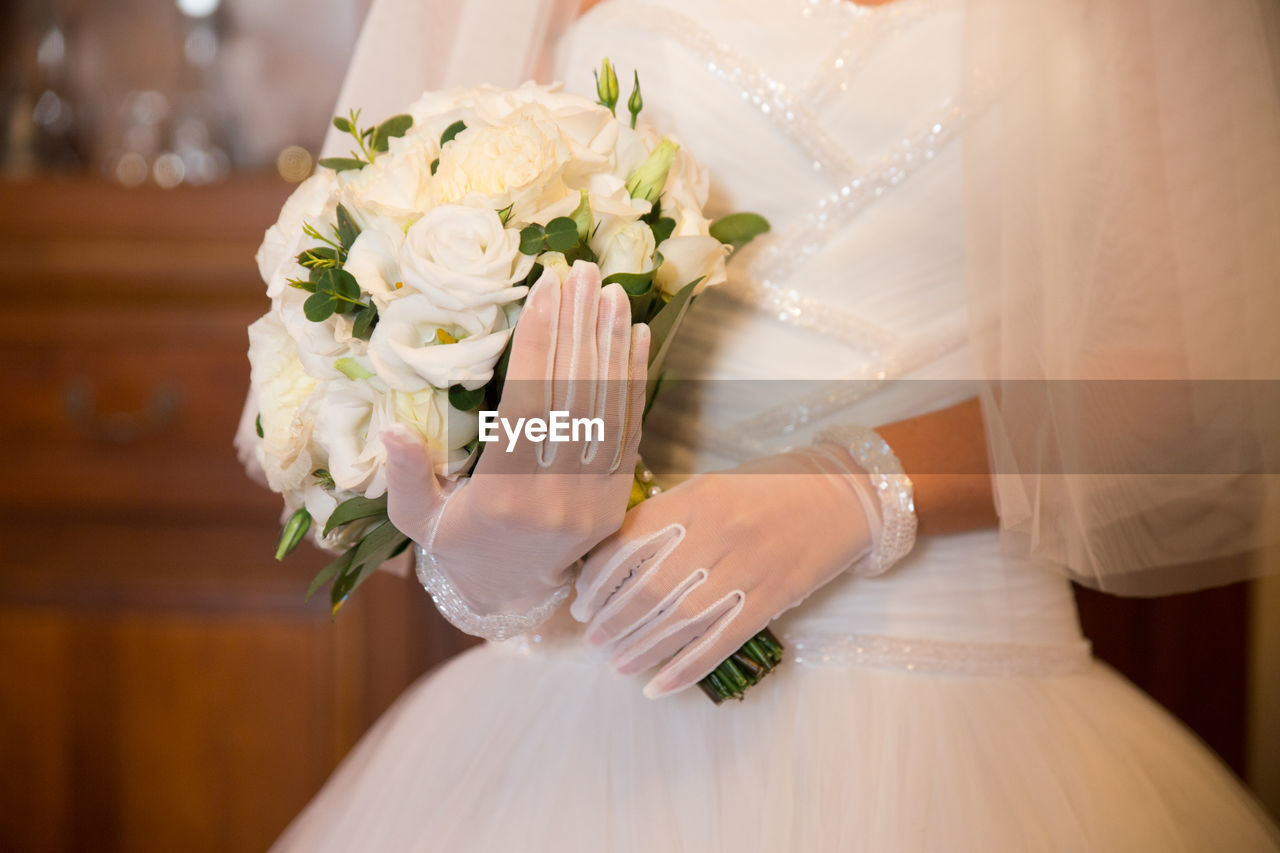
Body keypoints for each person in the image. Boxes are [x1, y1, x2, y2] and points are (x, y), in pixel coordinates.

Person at [254, 0, 1280, 848]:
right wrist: (499, 539)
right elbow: (394, 303)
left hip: (970, 688)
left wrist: (859, 483)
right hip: (596, 691)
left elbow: (1196, 380)